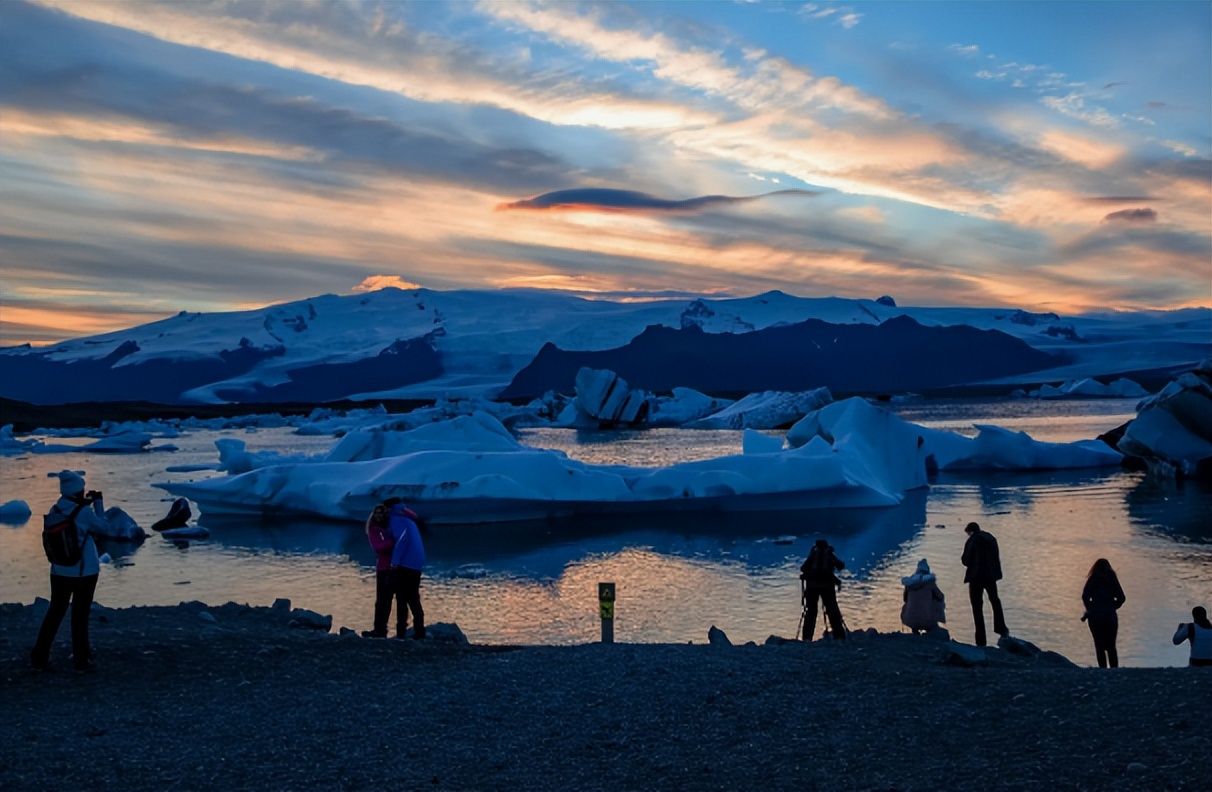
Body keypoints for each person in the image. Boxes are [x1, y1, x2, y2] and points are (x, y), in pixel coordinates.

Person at [31, 470, 107, 672]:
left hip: (58, 570)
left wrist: (85, 505)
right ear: (77, 491)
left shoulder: (56, 509)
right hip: (84, 571)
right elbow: (103, 527)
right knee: (80, 613)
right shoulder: (84, 512)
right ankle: (82, 658)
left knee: (55, 611)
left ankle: (40, 654)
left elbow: (73, 515)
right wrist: (98, 504)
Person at [961, 521, 1008, 646]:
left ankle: (981, 639)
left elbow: (965, 560)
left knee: (977, 607)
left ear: (970, 531)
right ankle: (1001, 628)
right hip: (991, 576)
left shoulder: (972, 540)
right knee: (994, 600)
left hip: (976, 577)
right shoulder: (991, 538)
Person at [387, 499, 426, 640]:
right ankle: (418, 631)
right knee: (413, 597)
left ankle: (404, 632)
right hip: (416, 563)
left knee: (403, 598)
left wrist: (394, 563)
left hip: (406, 564)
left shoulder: (397, 519)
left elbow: (402, 540)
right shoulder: (409, 519)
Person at [362, 502, 398, 638]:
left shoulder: (387, 528)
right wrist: (392, 542)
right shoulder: (374, 529)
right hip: (383, 568)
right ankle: (379, 628)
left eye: (381, 513)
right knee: (382, 599)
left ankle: (382, 628)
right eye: (376, 513)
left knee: (387, 599)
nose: (378, 516)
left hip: (392, 567)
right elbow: (378, 547)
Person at [1080, 558, 1126, 668]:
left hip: (1095, 616)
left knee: (1099, 644)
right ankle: (1114, 670)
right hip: (1110, 616)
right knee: (1111, 646)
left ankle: (1102, 670)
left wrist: (1090, 608)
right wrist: (1113, 606)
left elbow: (1085, 596)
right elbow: (1121, 597)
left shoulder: (1093, 578)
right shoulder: (1112, 578)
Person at [799, 538, 846, 640]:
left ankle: (807, 637)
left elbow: (803, 568)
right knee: (832, 611)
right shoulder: (829, 554)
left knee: (811, 612)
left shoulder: (813, 554)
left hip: (812, 587)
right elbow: (840, 565)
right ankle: (839, 635)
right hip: (827, 587)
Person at [900, 558, 946, 634]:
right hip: (927, 619)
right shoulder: (930, 583)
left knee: (909, 603)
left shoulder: (909, 584)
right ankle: (931, 627)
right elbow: (940, 597)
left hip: (910, 620)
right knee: (937, 601)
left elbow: (905, 599)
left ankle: (915, 629)